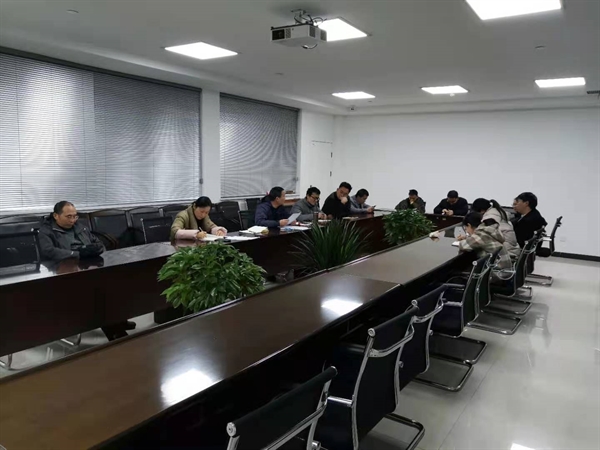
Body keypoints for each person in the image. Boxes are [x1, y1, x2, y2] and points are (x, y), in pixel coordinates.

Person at [39, 201, 105, 261]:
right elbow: (48, 251)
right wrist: (77, 254)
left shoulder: (81, 227)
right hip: (65, 264)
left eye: (75, 216)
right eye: (69, 216)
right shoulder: (46, 231)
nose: (73, 220)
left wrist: (95, 250)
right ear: (56, 216)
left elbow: (99, 244)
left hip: (88, 262)